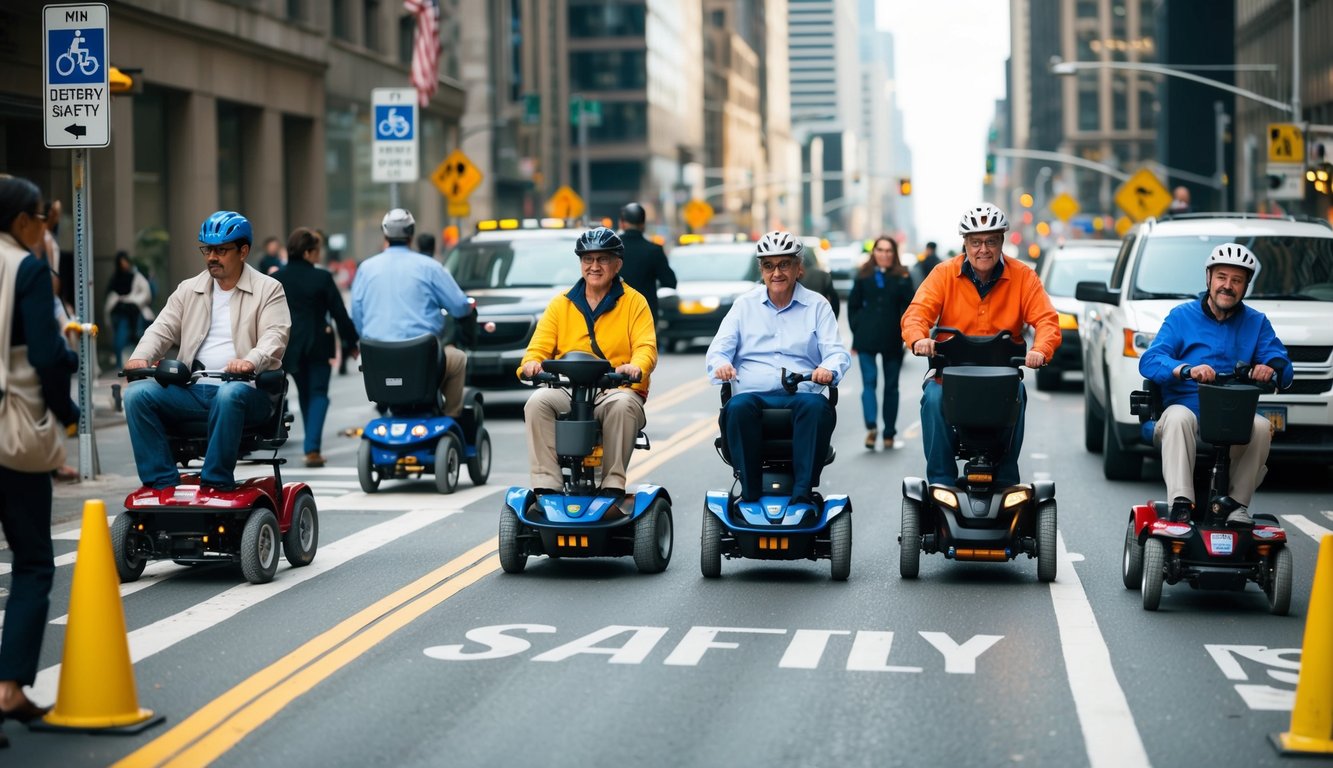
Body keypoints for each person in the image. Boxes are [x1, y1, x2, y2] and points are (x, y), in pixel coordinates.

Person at [123, 211, 291, 491]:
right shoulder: (189, 289)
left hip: (248, 392)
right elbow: (161, 328)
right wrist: (140, 356)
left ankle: (215, 481)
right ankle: (161, 482)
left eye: (221, 250)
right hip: (193, 389)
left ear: (243, 251)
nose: (212, 256)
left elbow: (275, 335)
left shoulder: (269, 289)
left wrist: (250, 361)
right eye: (208, 249)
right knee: (138, 395)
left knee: (230, 393)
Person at [0, 176, 80, 742]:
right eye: (40, 220)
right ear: (23, 221)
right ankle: (9, 689)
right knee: (31, 560)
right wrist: (65, 411)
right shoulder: (23, 268)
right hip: (10, 436)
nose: (43, 229)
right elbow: (49, 354)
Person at [902, 203, 1060, 487]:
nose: (983, 249)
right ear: (965, 244)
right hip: (949, 378)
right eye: (975, 242)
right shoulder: (943, 274)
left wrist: (1040, 350)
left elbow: (1047, 320)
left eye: (990, 241)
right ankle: (941, 482)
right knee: (932, 399)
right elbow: (916, 313)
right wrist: (919, 338)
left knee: (1019, 395)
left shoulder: (1024, 276)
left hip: (1003, 380)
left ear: (1002, 241)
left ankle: (1007, 479)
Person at [1138, 243, 1292, 527]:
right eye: (1221, 277)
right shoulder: (1181, 316)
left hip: (1233, 418)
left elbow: (1283, 366)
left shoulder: (1257, 323)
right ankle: (1180, 504)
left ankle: (1236, 506)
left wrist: (1270, 368)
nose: (1227, 286)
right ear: (1208, 278)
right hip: (1186, 417)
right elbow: (1150, 361)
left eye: (1237, 280)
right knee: (1178, 417)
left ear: (1246, 286)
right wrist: (1186, 369)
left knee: (1260, 426)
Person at [706, 230, 849, 507]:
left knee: (817, 407)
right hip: (753, 394)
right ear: (761, 269)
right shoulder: (744, 305)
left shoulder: (818, 306)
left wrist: (828, 369)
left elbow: (836, 353)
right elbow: (719, 350)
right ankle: (749, 493)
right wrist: (722, 364)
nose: (777, 273)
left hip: (801, 394)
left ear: (799, 267)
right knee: (736, 408)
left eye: (784, 264)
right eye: (769, 266)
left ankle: (802, 494)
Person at [519, 226, 657, 511]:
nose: (594, 266)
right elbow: (538, 348)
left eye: (602, 259)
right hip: (570, 390)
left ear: (617, 264)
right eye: (588, 259)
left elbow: (646, 348)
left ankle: (612, 486)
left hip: (615, 389)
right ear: (580, 263)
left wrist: (636, 366)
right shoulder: (561, 304)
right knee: (538, 402)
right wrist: (531, 364)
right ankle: (547, 485)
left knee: (621, 406)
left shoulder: (634, 302)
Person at [352, 208, 472, 417]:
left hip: (378, 359)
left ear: (385, 234)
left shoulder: (366, 268)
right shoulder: (430, 267)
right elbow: (460, 306)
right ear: (411, 234)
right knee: (459, 359)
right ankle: (452, 417)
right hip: (423, 359)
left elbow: (357, 316)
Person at [275, 227, 359, 468]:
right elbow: (339, 313)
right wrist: (351, 342)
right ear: (308, 252)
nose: (319, 256)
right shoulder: (321, 278)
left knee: (305, 393)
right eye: (316, 251)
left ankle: (312, 444)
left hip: (290, 345)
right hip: (318, 343)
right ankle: (312, 448)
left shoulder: (278, 278)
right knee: (319, 393)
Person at [849, 235, 914, 450]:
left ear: (894, 254)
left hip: (892, 337)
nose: (884, 255)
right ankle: (871, 427)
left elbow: (911, 307)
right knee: (869, 381)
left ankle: (889, 432)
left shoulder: (902, 276)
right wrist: (856, 329)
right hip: (866, 336)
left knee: (891, 386)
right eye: (880, 250)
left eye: (888, 251)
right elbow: (853, 305)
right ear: (874, 252)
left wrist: (907, 333)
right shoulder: (863, 275)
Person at [616, 202, 676, 324]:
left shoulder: (611, 251)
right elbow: (670, 282)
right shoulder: (654, 251)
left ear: (621, 223)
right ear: (643, 225)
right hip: (645, 316)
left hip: (615, 315)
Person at [104, 250, 154, 369]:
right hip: (119, 313)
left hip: (132, 313)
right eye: (121, 263)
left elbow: (146, 293)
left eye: (125, 262)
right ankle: (121, 364)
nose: (124, 265)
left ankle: (131, 364)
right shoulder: (116, 278)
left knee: (131, 339)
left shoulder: (136, 276)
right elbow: (110, 295)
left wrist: (132, 300)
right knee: (120, 340)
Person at [798, 244, 841, 318]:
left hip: (799, 316)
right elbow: (834, 300)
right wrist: (833, 318)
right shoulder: (823, 275)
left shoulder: (794, 275)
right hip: (820, 316)